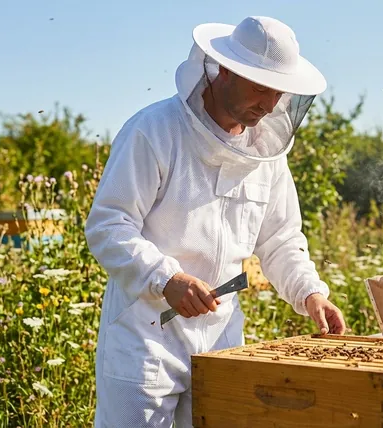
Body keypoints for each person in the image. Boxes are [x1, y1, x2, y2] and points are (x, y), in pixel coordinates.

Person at [85, 15, 346, 427]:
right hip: (146, 335)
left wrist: (310, 293)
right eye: (260, 86)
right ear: (225, 69)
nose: (269, 104)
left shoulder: (267, 157)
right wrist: (166, 278)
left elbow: (280, 239)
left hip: (222, 339)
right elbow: (109, 224)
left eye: (278, 92)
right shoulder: (154, 131)